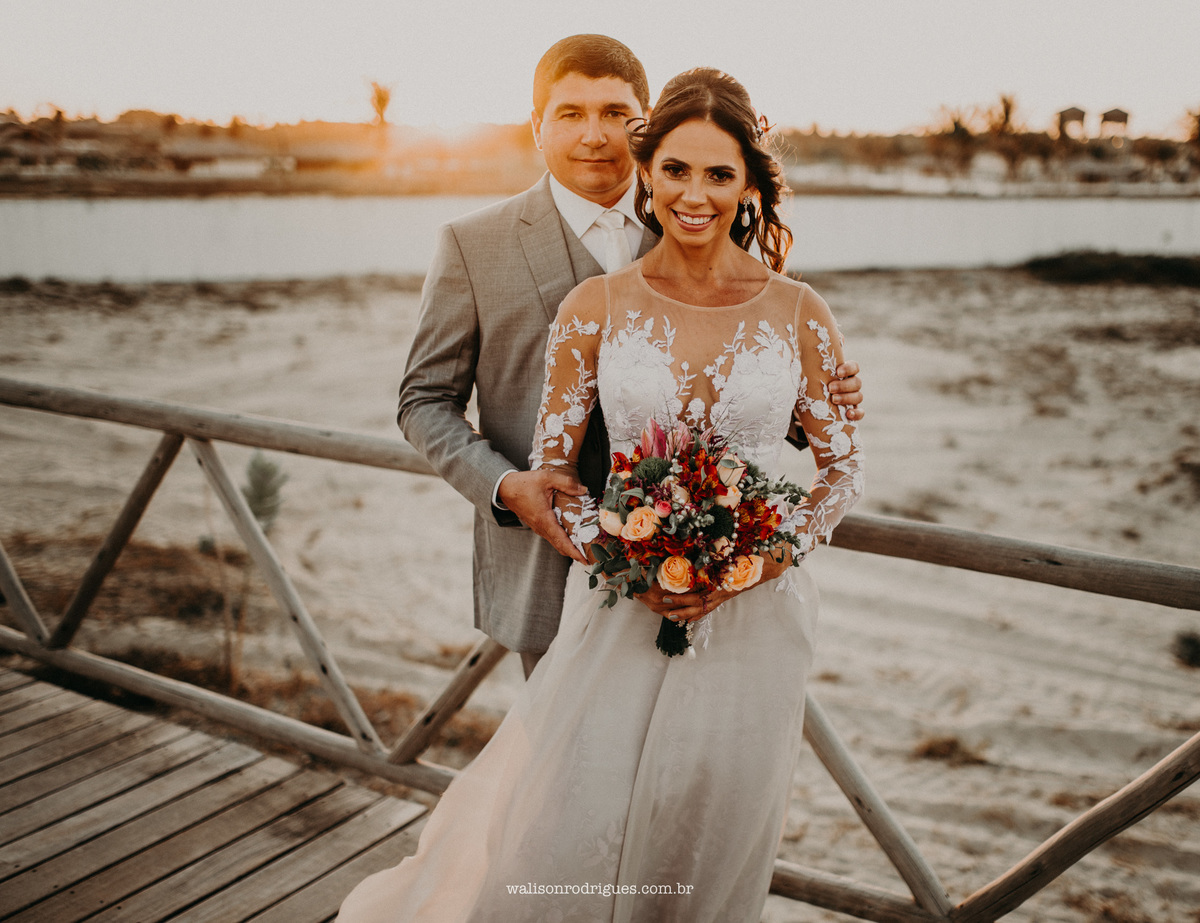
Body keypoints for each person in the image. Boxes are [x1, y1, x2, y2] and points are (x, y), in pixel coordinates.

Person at [339, 66, 863, 922]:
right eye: (677, 170)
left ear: (750, 185)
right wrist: (630, 561)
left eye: (720, 173)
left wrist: (759, 561)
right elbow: (553, 473)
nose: (695, 192)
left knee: (710, 827)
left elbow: (840, 469)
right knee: (572, 824)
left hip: (757, 620)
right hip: (616, 602)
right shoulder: (593, 303)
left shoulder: (801, 310)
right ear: (648, 170)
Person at [396, 34, 863, 680]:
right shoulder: (471, 245)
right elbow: (423, 400)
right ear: (536, 126)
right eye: (570, 113)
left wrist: (824, 397)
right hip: (545, 563)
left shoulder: (695, 216)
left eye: (615, 113)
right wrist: (505, 488)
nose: (594, 135)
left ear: (643, 126)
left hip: (720, 580)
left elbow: (743, 381)